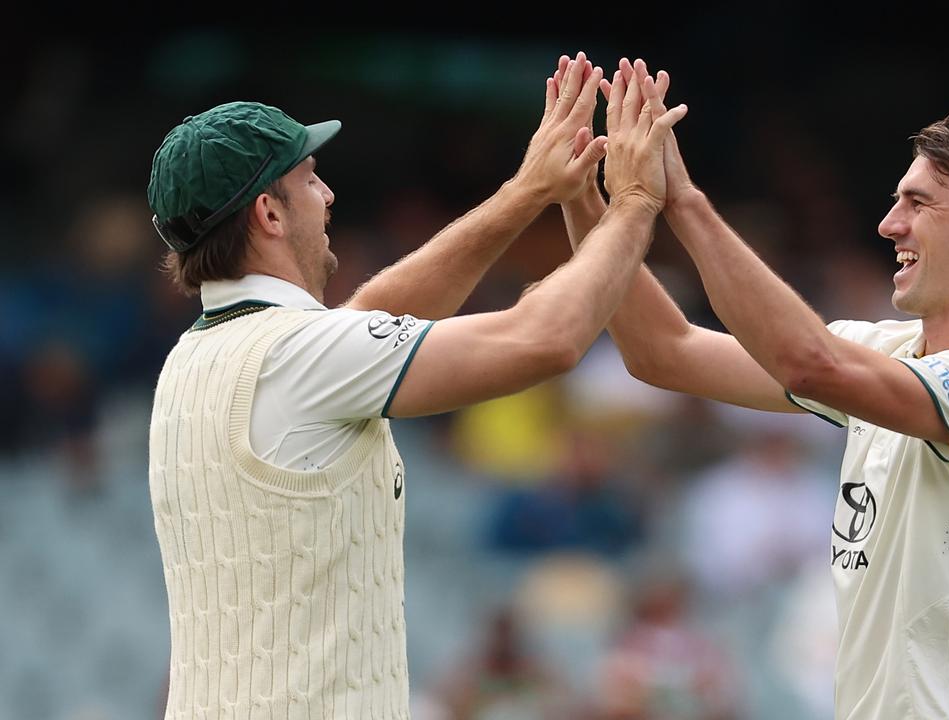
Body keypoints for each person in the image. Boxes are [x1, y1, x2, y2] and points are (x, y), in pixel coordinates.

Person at [145, 52, 686, 717]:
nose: (328, 195)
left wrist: (527, 193)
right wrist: (633, 204)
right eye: (310, 179)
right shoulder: (297, 356)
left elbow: (368, 319)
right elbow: (545, 339)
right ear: (270, 215)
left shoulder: (199, 356)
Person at [562, 60, 949, 718]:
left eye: (918, 203)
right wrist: (589, 198)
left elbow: (806, 363)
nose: (889, 224)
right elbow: (662, 352)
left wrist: (683, 200)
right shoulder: (888, 352)